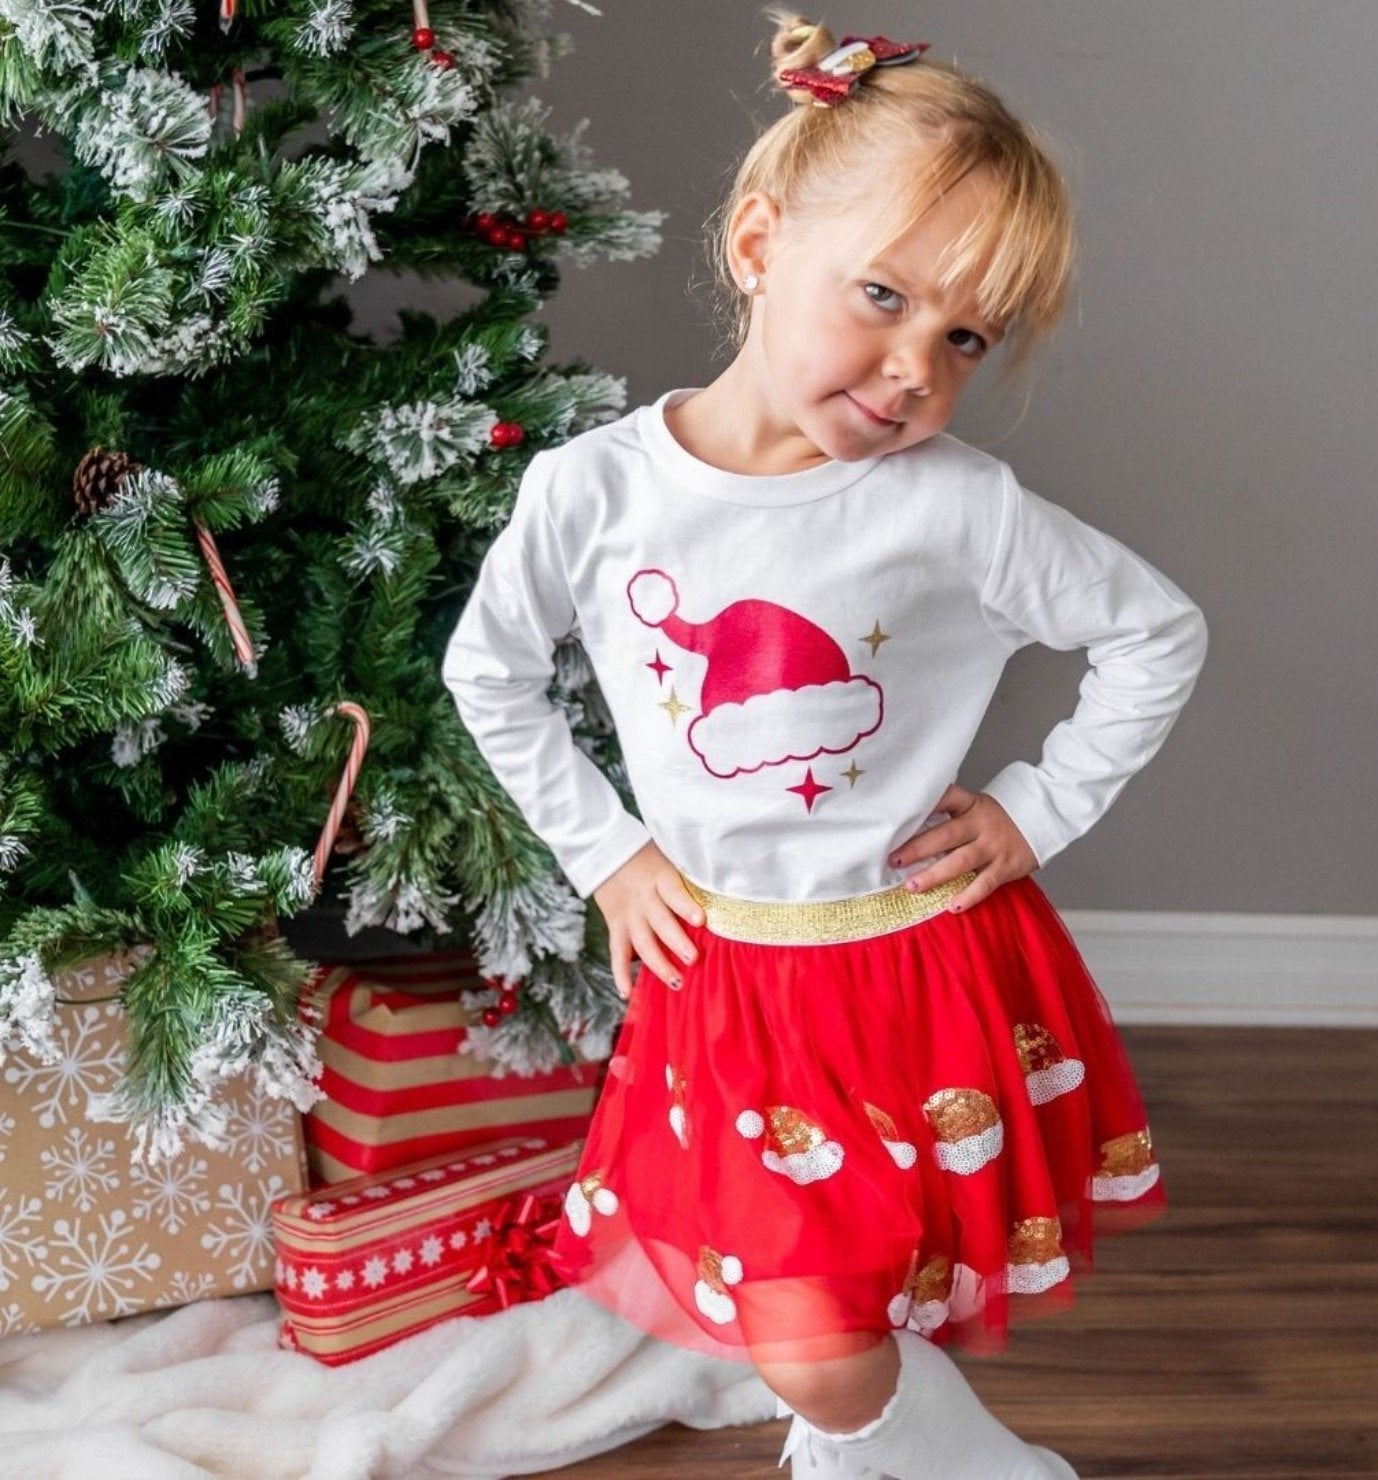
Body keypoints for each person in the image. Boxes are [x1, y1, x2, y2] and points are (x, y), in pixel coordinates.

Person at [442, 13, 1208, 1479]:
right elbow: (491, 671)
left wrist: (1036, 810)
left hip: (911, 968)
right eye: (882, 296)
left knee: (816, 1328)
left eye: (963, 338)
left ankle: (962, 1465)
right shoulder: (595, 493)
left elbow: (1155, 632)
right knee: (799, 1297)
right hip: (723, 977)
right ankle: (865, 1441)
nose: (915, 365)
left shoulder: (955, 505)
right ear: (757, 245)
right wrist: (608, 856)